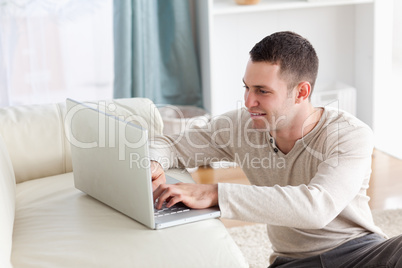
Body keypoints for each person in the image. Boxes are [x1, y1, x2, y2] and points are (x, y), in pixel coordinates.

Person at [148, 31, 402, 267]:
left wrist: (215, 194)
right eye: (246, 87)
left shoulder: (350, 134)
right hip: (293, 261)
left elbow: (317, 208)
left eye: (262, 91)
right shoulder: (240, 125)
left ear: (301, 92)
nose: (249, 101)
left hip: (361, 254)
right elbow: (171, 145)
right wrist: (153, 164)